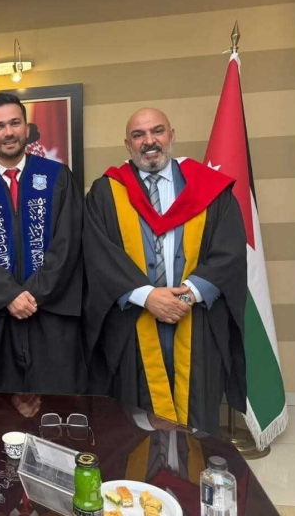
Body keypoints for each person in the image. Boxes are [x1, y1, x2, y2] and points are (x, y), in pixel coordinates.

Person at [83, 107, 247, 432]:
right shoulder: (106, 192)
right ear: (128, 145)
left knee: (198, 415)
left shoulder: (210, 188)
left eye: (157, 131)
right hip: (133, 324)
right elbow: (98, 254)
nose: (149, 141)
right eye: (138, 135)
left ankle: (193, 463)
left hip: (196, 320)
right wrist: (147, 296)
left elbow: (229, 251)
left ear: (172, 136)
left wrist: (185, 297)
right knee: (136, 421)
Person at [0, 93, 87, 394]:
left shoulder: (57, 176)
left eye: (14, 123)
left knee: (58, 405)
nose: (8, 132)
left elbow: (68, 243)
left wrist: (33, 295)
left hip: (51, 315)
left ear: (26, 127)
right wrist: (10, 296)